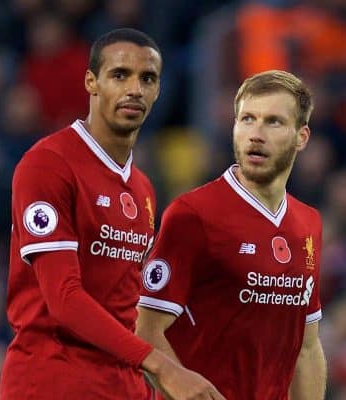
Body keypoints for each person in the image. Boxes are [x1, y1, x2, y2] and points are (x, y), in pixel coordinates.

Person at [0, 28, 225, 400]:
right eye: (120, 75)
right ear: (92, 82)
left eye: (147, 78)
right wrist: (162, 367)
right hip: (52, 381)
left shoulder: (143, 189)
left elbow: (126, 307)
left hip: (123, 385)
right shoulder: (49, 164)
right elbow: (64, 299)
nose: (134, 88)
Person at [136, 70, 327, 400]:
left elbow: (307, 348)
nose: (256, 134)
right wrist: (183, 387)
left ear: (302, 137)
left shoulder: (308, 223)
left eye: (273, 122)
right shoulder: (193, 215)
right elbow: (144, 330)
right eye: (247, 119)